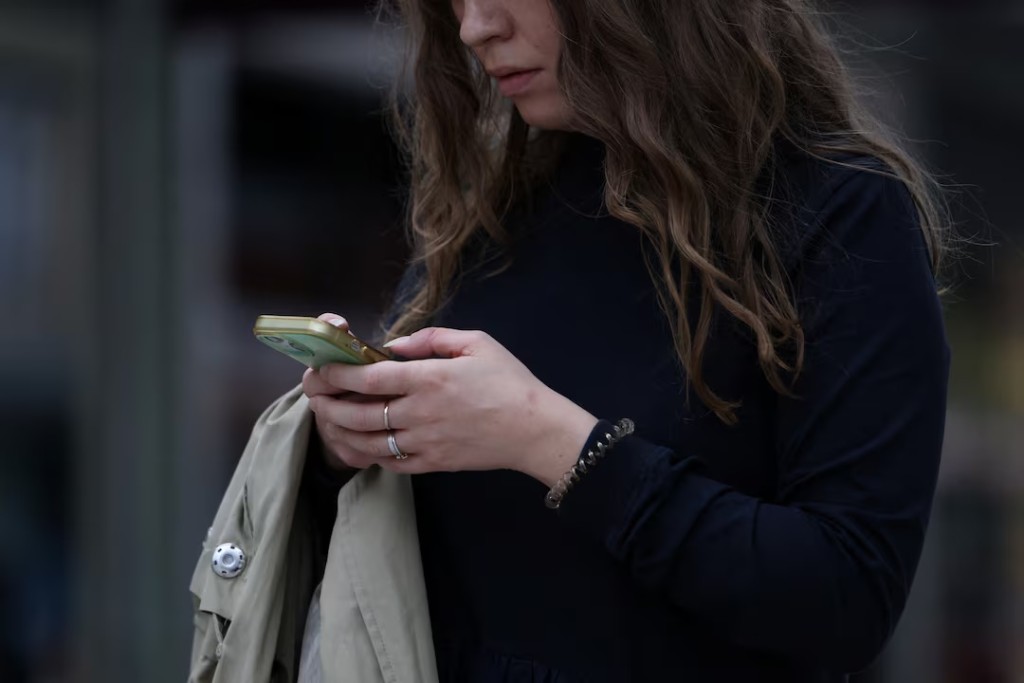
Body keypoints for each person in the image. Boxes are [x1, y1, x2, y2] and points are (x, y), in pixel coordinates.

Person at [299, 0, 951, 680]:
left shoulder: (839, 214)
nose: (474, 27)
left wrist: (548, 440)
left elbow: (846, 600)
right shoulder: (491, 209)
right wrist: (347, 438)